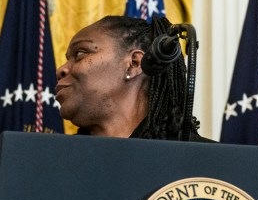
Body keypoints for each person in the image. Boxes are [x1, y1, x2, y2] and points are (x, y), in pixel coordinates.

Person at [54, 14, 205, 140]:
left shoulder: (207, 164)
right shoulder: (53, 162)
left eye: (80, 53)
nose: (60, 70)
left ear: (134, 63)